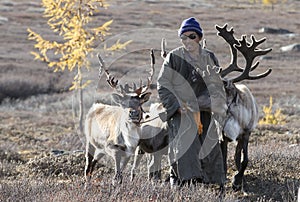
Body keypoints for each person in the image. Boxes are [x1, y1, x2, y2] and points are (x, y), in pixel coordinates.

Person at [157, 17, 226, 187]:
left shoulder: (209, 57)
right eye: (184, 37)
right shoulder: (173, 57)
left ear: (200, 37)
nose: (188, 40)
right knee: (183, 152)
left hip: (205, 114)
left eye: (192, 36)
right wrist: (175, 106)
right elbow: (163, 85)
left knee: (210, 153)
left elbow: (218, 86)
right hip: (182, 114)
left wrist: (211, 102)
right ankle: (183, 190)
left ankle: (211, 189)